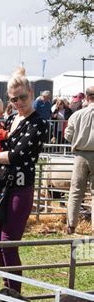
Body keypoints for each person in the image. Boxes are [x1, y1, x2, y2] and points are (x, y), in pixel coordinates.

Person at [0, 68, 48, 293]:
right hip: (0, 186)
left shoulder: (38, 124)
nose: (18, 103)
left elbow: (16, 155)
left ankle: (15, 295)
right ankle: (6, 290)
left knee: (8, 242)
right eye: (14, 99)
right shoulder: (9, 120)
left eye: (23, 97)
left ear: (31, 92)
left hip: (20, 188)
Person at [64, 85, 94, 234]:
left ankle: (71, 225)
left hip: (81, 155)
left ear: (87, 97)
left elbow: (67, 135)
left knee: (76, 191)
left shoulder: (77, 115)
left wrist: (78, 138)